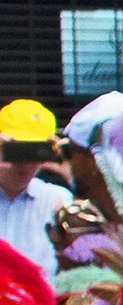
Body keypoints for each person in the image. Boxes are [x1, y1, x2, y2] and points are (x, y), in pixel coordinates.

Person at [0, 95, 77, 289]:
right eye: (17, 150)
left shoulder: (57, 200)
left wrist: (74, 177)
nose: (25, 164)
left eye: (34, 152)